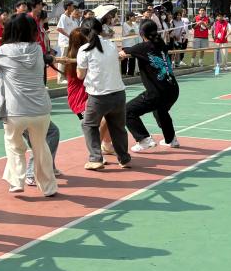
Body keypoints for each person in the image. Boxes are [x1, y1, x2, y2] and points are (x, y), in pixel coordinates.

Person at [0, 13, 57, 196]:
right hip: (41, 109)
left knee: (14, 146)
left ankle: (17, 181)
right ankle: (48, 187)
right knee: (41, 148)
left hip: (16, 110)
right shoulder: (37, 50)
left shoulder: (4, 51)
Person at [76, 18, 131, 171]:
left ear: (84, 33)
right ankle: (124, 158)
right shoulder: (111, 45)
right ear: (100, 29)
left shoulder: (84, 49)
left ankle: (95, 159)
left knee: (89, 125)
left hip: (98, 96)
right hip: (118, 93)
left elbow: (80, 75)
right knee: (118, 128)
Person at [119, 19, 180, 151]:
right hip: (173, 89)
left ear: (141, 33)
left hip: (158, 92)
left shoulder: (143, 47)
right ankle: (171, 139)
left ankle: (144, 139)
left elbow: (125, 51)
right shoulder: (161, 44)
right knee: (160, 110)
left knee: (127, 111)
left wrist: (122, 53)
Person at [55, 0, 78, 83]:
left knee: (68, 59)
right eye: (72, 6)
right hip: (64, 42)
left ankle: (65, 76)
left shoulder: (70, 17)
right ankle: (60, 79)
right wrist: (68, 36)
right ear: (68, 7)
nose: (73, 8)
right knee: (63, 59)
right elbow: (59, 28)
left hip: (70, 42)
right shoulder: (63, 16)